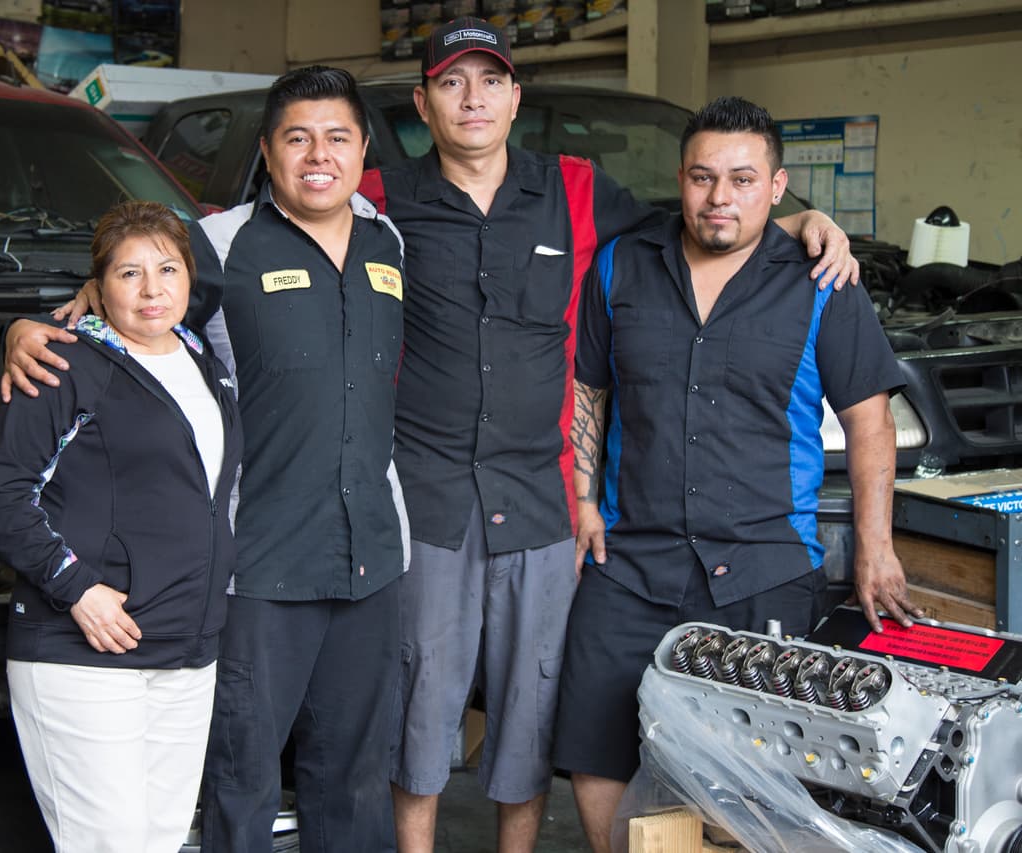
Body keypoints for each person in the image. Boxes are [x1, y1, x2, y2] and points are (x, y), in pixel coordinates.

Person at [355, 17, 860, 853]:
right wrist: (108, 287)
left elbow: (707, 220)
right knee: (422, 702)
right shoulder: (378, 196)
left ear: (517, 97)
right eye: (451, 82)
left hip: (545, 502)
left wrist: (812, 224)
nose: (472, 98)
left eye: (489, 81)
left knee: (530, 710)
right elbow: (253, 239)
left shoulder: (578, 190)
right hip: (428, 494)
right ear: (422, 102)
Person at [1, 67, 408, 853]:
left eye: (336, 138)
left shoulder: (387, 243)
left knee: (357, 779)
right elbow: (130, 296)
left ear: (362, 150)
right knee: (240, 779)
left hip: (371, 562)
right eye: (296, 138)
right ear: (266, 152)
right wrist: (29, 326)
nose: (317, 155)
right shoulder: (220, 246)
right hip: (257, 563)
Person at [552, 95, 921, 853]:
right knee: (593, 734)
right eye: (703, 177)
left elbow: (869, 421)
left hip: (761, 563)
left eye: (743, 180)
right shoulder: (623, 264)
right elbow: (589, 389)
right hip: (630, 557)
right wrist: (583, 501)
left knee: (755, 774)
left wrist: (877, 544)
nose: (721, 197)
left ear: (778, 187)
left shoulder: (823, 283)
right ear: (680, 180)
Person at [0, 200, 243, 853]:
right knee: (111, 843)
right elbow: (3, 493)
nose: (152, 289)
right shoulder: (65, 364)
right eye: (129, 273)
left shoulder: (199, 357)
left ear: (189, 278)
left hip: (185, 650)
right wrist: (77, 588)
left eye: (167, 269)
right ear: (97, 285)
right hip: (84, 651)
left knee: (159, 839)